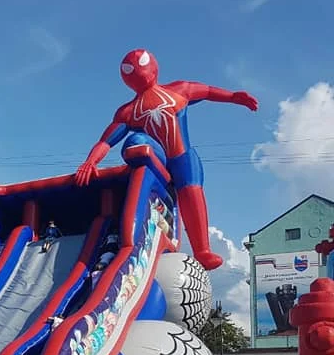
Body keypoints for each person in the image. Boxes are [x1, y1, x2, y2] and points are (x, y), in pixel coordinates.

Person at [74, 48, 257, 270]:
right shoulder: (128, 111)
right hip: (160, 158)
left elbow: (207, 91)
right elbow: (106, 141)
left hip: (182, 156)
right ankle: (189, 242)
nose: (141, 72)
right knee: (137, 141)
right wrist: (91, 161)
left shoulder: (179, 90)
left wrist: (233, 97)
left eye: (141, 65)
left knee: (191, 189)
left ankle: (202, 250)